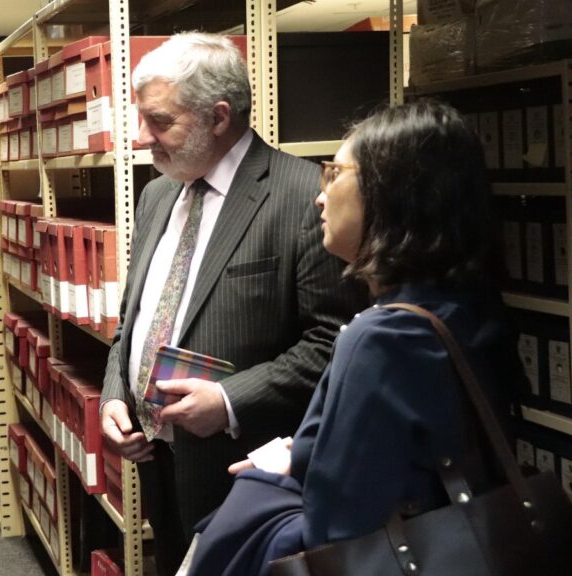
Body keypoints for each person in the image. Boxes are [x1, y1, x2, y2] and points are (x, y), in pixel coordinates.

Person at [187, 99, 517, 576]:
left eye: (334, 173)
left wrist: (264, 489)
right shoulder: (466, 306)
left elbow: (336, 532)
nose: (320, 197)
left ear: (390, 192)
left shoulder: (381, 339)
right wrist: (302, 455)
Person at [98, 32, 365, 576]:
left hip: (248, 478)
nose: (137, 137)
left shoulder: (300, 196)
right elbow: (132, 320)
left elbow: (333, 343)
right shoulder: (156, 195)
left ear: (218, 118)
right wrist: (113, 396)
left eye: (159, 121)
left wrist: (229, 399)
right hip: (158, 461)